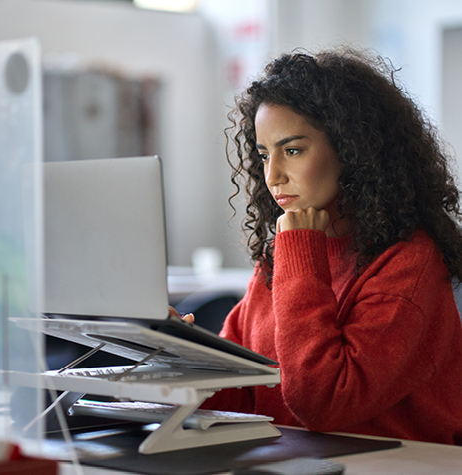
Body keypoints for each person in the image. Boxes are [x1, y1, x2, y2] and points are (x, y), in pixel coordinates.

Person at [193, 48, 462, 445]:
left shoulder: (409, 262)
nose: (272, 175)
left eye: (293, 150)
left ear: (352, 151)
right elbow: (241, 392)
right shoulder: (280, 258)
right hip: (293, 459)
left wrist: (301, 251)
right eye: (264, 154)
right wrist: (179, 356)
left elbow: (324, 402)